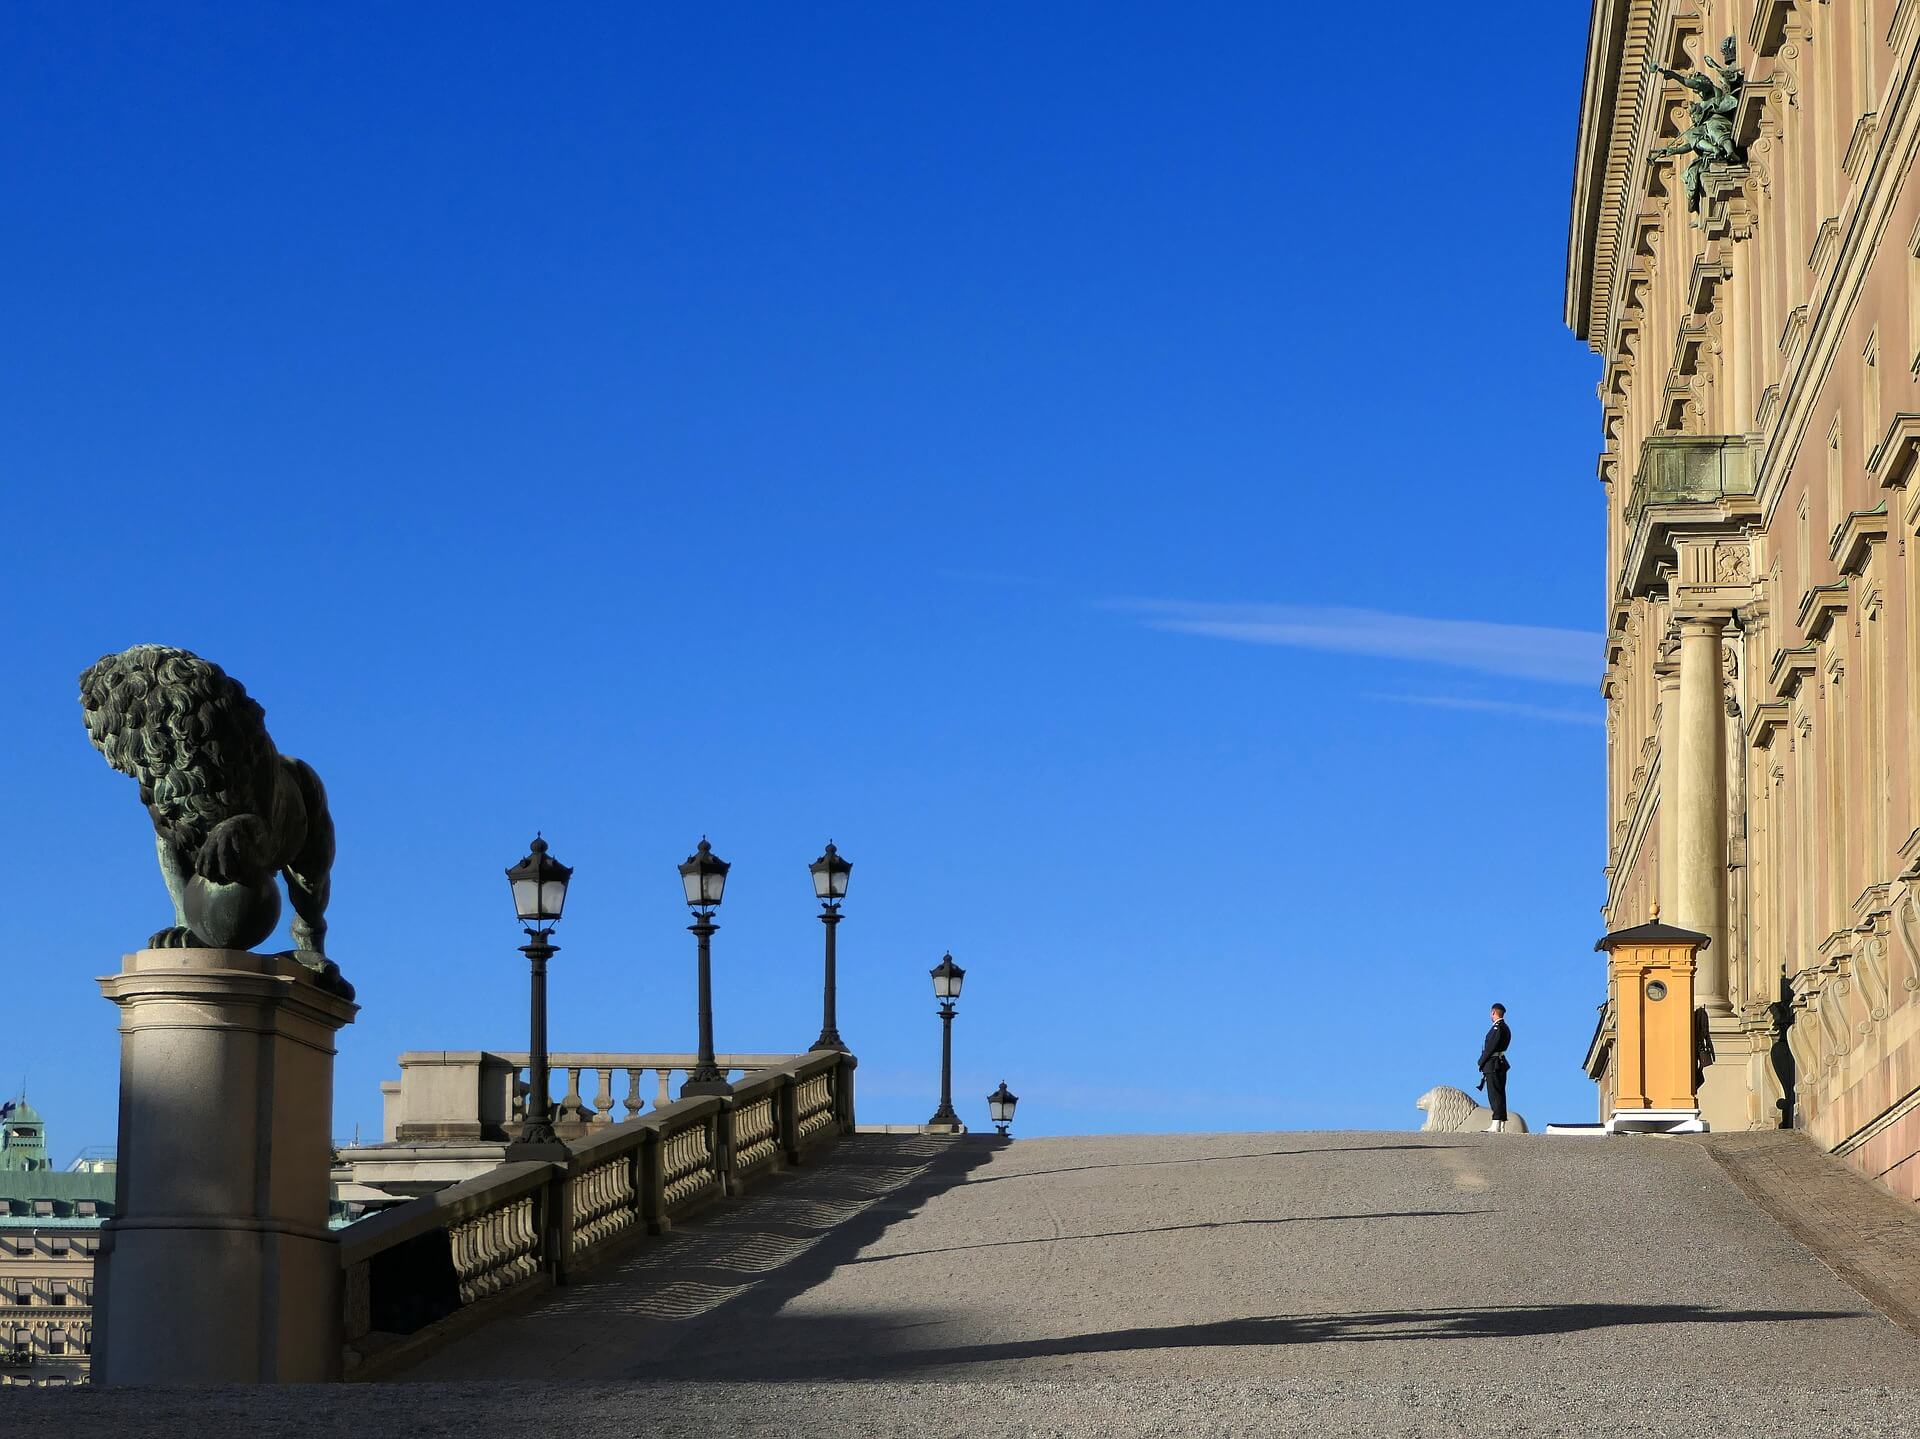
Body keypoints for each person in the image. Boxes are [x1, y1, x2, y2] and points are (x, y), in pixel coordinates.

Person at [1477, 1003, 1512, 1133]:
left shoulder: (1498, 1028)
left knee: (1494, 1094)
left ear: (1493, 1013)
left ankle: (1496, 1123)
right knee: (1500, 1093)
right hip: (1500, 1063)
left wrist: (1481, 1062)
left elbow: (1490, 1048)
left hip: (1493, 1064)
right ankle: (1501, 1123)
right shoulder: (1506, 1027)